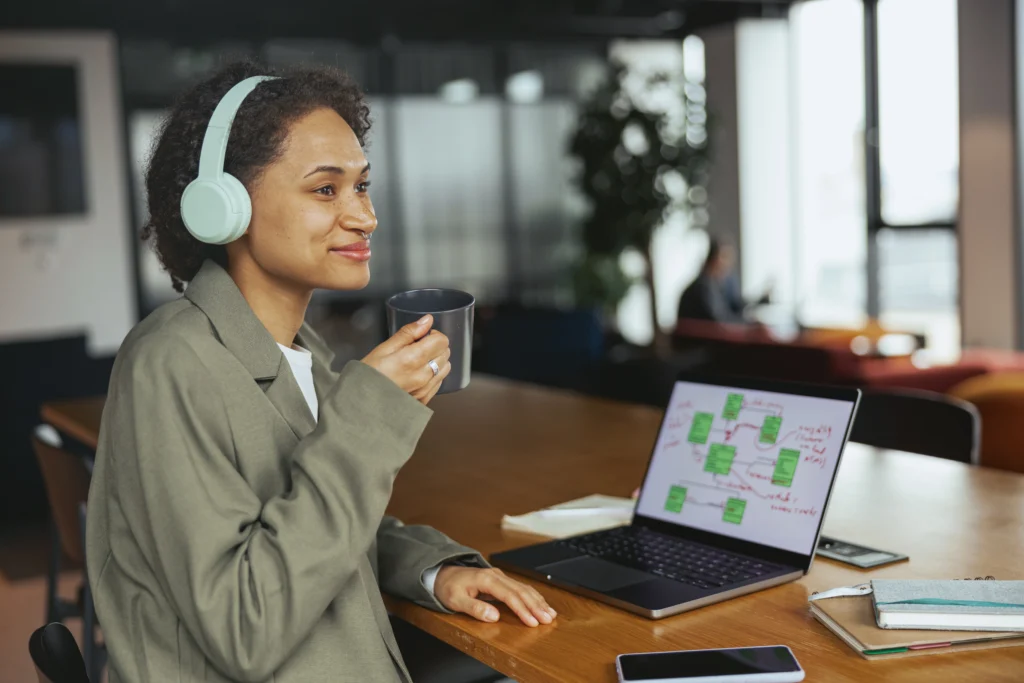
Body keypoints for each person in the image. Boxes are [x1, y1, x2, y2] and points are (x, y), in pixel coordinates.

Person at [85, 61, 555, 683]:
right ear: (223, 206)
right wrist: (368, 414)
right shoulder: (170, 362)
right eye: (325, 189)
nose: (365, 217)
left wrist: (436, 570)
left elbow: (313, 521)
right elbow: (244, 628)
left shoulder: (299, 349)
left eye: (362, 186)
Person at [676, 237, 770, 325]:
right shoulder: (703, 288)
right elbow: (722, 321)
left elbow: (735, 305)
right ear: (714, 259)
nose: (729, 264)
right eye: (725, 257)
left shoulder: (719, 284)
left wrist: (760, 301)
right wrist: (750, 324)